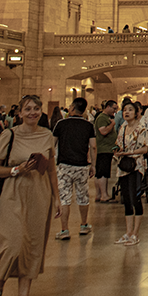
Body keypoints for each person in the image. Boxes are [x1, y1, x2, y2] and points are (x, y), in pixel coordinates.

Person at [0, 94, 60, 296]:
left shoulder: (47, 135)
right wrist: (16, 170)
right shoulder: (9, 135)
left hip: (39, 196)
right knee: (13, 242)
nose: (32, 113)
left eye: (36, 109)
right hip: (11, 195)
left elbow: (51, 169)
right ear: (19, 113)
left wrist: (57, 197)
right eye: (28, 109)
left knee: (32, 246)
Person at [52, 98, 96, 240]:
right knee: (83, 196)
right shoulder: (88, 126)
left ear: (71, 108)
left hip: (64, 165)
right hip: (82, 165)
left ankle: (64, 229)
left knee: (65, 198)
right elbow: (93, 146)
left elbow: (52, 145)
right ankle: (83, 225)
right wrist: (93, 165)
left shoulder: (61, 124)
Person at [113, 101, 148, 245]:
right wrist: (116, 151)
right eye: (124, 110)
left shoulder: (141, 128)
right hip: (123, 166)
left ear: (136, 113)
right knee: (126, 199)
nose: (126, 112)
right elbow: (117, 144)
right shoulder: (122, 128)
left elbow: (145, 148)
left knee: (135, 197)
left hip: (136, 166)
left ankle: (136, 233)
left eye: (130, 110)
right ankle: (128, 232)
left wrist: (131, 152)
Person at [93, 100, 118, 201]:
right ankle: (104, 195)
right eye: (114, 108)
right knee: (103, 172)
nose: (115, 111)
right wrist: (112, 124)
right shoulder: (102, 118)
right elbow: (103, 131)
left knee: (101, 172)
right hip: (104, 148)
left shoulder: (106, 117)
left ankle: (99, 195)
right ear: (108, 107)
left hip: (107, 148)